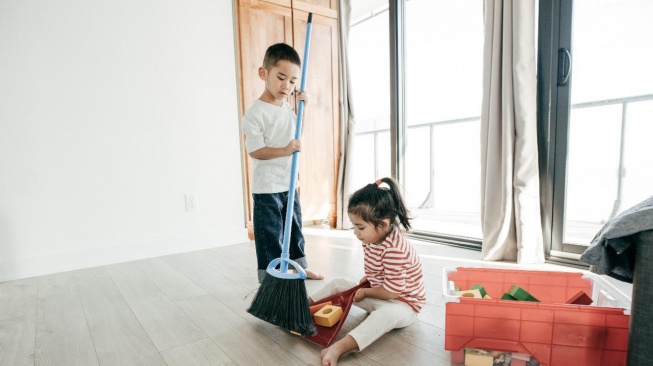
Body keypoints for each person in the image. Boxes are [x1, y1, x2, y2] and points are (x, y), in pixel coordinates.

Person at [308, 177, 426, 366]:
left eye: (360, 227)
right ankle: (302, 307)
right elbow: (378, 271)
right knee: (339, 282)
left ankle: (338, 348)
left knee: (385, 316)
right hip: (380, 295)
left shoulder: (396, 248)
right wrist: (369, 281)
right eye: (354, 225)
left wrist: (364, 292)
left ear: (383, 224)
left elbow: (392, 292)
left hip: (403, 305)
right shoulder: (371, 238)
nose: (355, 232)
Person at [241, 42, 323, 284]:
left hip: (289, 182)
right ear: (263, 73)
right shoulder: (256, 113)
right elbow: (255, 151)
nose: (286, 86)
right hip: (267, 188)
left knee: (295, 229)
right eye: (281, 77)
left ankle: (299, 267)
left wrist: (303, 108)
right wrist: (285, 150)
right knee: (270, 234)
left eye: (292, 81)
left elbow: (297, 134)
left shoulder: (287, 107)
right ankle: (271, 278)